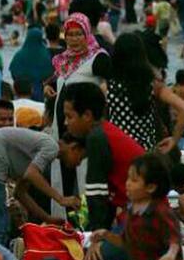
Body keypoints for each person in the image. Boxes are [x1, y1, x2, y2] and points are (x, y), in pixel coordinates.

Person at [61, 82, 145, 233]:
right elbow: (106, 198)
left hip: (143, 219)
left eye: (69, 116)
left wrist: (96, 236)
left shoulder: (96, 138)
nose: (65, 122)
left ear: (87, 116)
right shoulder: (105, 131)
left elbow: (97, 194)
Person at [0, 126, 81, 237]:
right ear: (74, 147)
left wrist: (47, 218)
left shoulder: (33, 155)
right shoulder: (52, 147)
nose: (78, 164)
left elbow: (20, 193)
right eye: (80, 158)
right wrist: (60, 199)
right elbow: (32, 174)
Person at [104, 33, 184, 152]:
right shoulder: (152, 85)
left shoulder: (107, 87)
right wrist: (174, 140)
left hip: (117, 150)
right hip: (145, 153)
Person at [45, 13, 111, 135]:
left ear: (87, 35)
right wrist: (49, 87)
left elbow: (111, 86)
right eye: (70, 34)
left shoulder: (98, 58)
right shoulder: (64, 60)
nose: (74, 39)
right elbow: (63, 82)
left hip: (85, 130)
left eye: (79, 34)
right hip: (61, 130)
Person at [8, 27, 54, 101]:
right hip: (38, 89)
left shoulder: (19, 54)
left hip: (20, 89)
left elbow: (13, 71)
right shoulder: (45, 54)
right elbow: (50, 73)